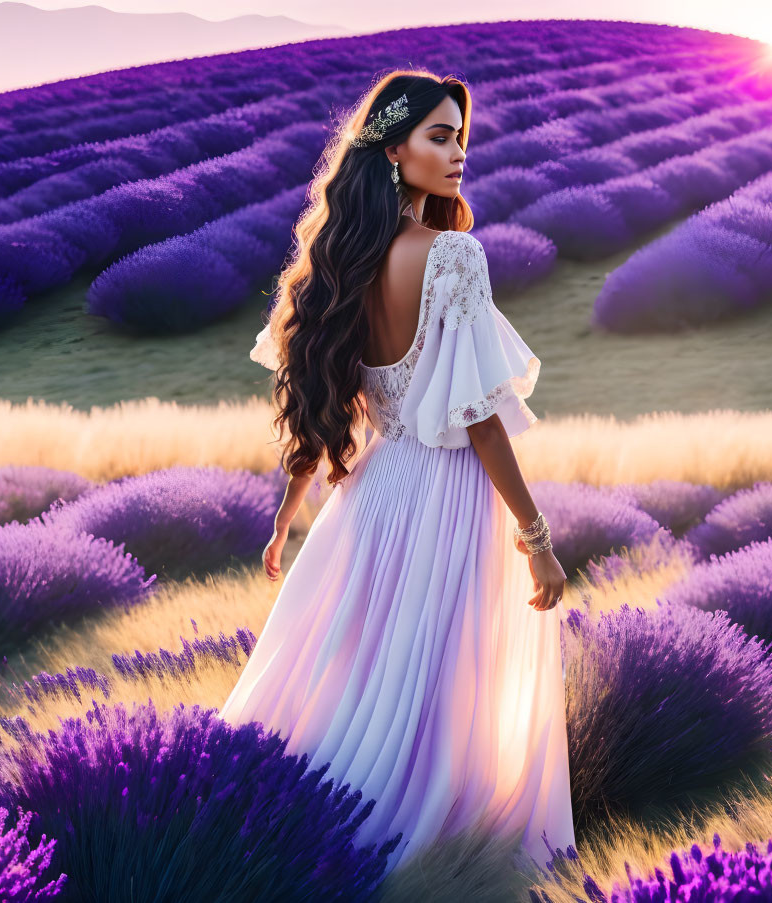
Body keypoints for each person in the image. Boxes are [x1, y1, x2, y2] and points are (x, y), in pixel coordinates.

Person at [218, 70, 577, 876]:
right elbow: (479, 416)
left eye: (461, 138)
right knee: (439, 673)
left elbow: (322, 396)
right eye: (438, 137)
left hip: (373, 494)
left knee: (364, 668)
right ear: (393, 150)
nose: (456, 154)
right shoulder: (452, 255)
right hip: (447, 491)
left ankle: (308, 834)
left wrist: (288, 511)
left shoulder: (339, 265)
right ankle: (422, 842)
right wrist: (535, 534)